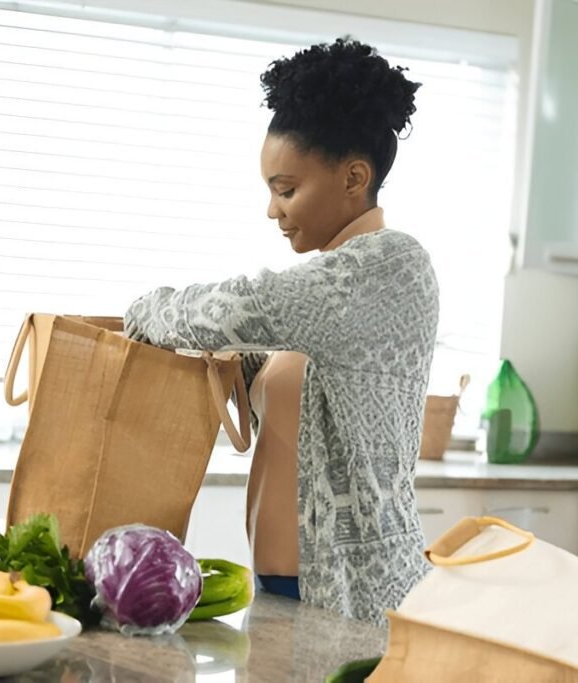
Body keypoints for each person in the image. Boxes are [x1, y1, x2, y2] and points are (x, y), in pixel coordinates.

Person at [124, 38, 437, 624]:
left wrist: (145, 309)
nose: (273, 210)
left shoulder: (389, 266)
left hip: (353, 598)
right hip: (284, 592)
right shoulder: (324, 291)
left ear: (354, 177)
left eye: (286, 189)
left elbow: (240, 308)